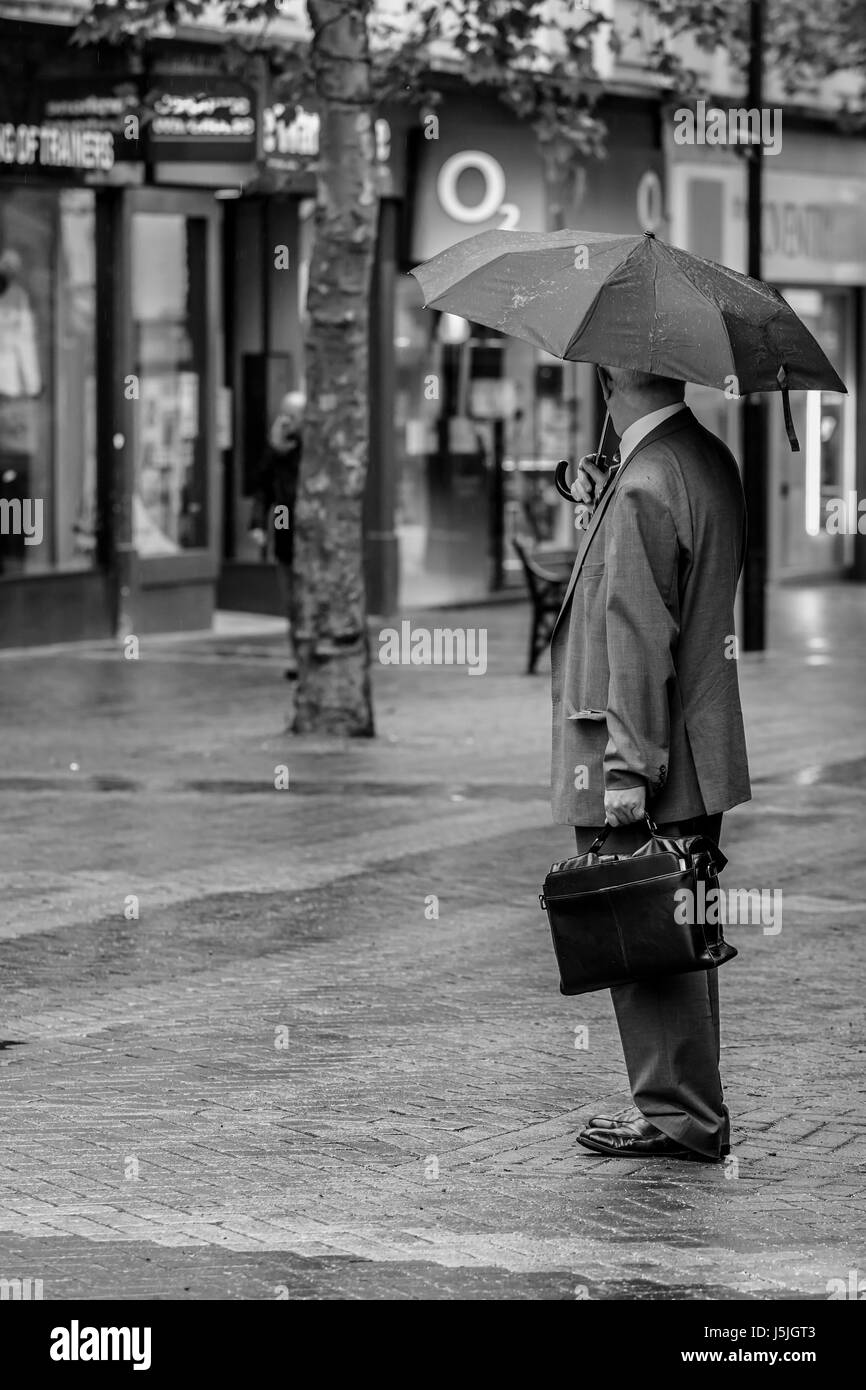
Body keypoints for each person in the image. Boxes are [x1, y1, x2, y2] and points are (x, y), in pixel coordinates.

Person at [550, 366, 751, 1162]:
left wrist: (626, 773)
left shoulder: (644, 481)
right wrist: (602, 509)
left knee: (646, 947)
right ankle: (690, 1108)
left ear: (607, 377)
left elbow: (636, 637)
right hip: (698, 744)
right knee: (679, 935)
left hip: (647, 755)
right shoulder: (702, 457)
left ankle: (676, 1115)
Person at [249, 391, 305, 678]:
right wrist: (258, 524)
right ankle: (299, 657)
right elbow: (265, 491)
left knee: (310, 601)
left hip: (312, 536)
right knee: (292, 603)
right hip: (285, 526)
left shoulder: (312, 449)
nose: (286, 422)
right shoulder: (275, 453)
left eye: (292, 416)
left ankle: (312, 657)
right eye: (283, 415)